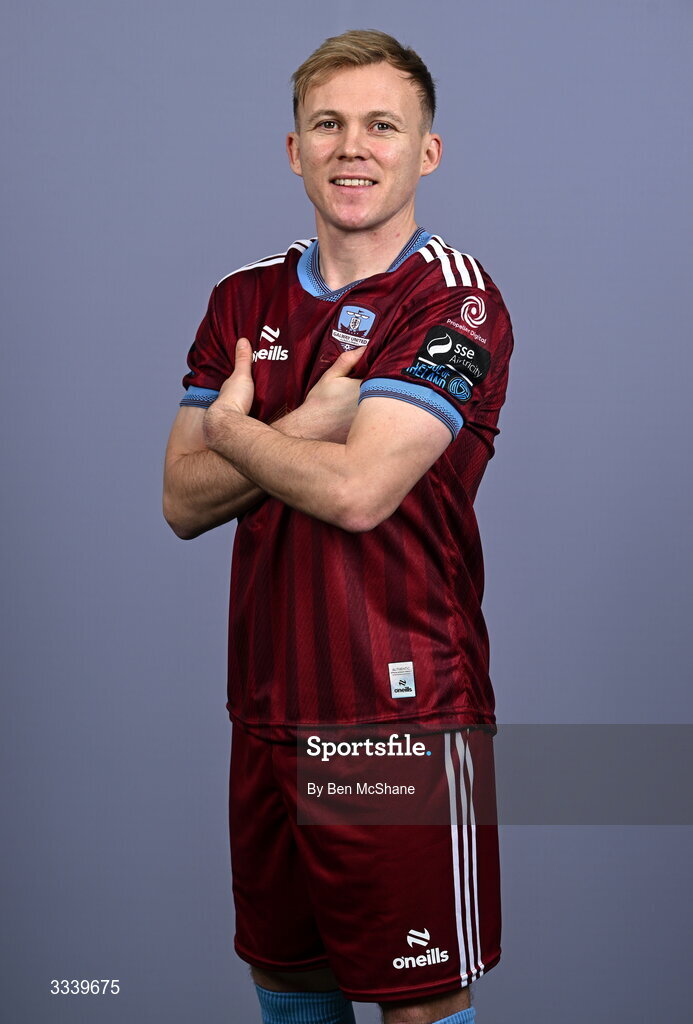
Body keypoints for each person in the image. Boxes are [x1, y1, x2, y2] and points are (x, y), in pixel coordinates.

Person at [163, 29, 513, 1024]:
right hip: (266, 711)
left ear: (424, 152)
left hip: (398, 719)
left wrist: (234, 430)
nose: (352, 147)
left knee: (419, 1005)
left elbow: (362, 491)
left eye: (381, 125)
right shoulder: (243, 297)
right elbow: (180, 501)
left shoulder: (454, 297)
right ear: (294, 148)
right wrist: (298, 425)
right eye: (328, 124)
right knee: (290, 995)